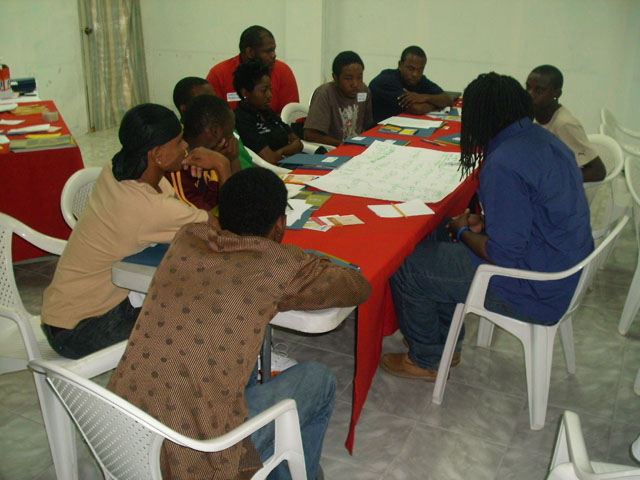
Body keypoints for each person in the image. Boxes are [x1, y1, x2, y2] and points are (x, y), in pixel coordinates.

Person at [108, 167, 371, 480]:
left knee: (235, 363)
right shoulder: (279, 265)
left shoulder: (187, 239)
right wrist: (308, 263)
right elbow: (357, 287)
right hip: (198, 462)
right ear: (280, 223)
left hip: (124, 436)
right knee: (319, 378)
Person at [381, 72, 593, 380]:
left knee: (408, 263)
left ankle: (427, 358)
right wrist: (481, 223)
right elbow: (536, 211)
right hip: (561, 269)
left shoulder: (503, 162)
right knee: (439, 233)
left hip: (534, 289)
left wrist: (464, 232)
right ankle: (444, 344)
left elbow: (504, 254)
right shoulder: (543, 139)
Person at [41, 104, 231, 359]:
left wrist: (181, 165)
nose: (186, 146)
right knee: (205, 310)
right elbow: (224, 230)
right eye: (179, 142)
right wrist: (222, 165)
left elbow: (177, 212)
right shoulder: (149, 208)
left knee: (182, 288)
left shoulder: (116, 169)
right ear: (158, 154)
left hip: (63, 314)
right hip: (81, 330)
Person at [526, 64, 606, 182]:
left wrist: (551, 180)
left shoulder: (565, 124)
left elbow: (598, 171)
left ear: (557, 94)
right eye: (528, 88)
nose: (530, 94)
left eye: (539, 90)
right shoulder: (533, 115)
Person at [167, 94, 241, 211]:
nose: (233, 139)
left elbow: (242, 198)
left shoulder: (212, 155)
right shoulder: (179, 166)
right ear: (215, 131)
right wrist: (222, 165)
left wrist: (233, 159)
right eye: (230, 133)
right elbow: (229, 214)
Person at [206, 25, 299, 115]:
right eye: (268, 51)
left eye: (274, 50)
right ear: (250, 52)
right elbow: (212, 115)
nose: (273, 55)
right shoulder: (219, 74)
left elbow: (291, 115)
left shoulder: (283, 71)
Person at [172, 76, 254, 170]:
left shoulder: (226, 128)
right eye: (204, 100)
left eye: (214, 97)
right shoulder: (179, 150)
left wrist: (231, 160)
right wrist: (222, 163)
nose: (214, 102)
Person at [234, 58, 303, 164]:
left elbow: (298, 143)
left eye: (270, 89)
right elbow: (270, 159)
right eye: (264, 90)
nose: (270, 95)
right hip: (273, 170)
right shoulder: (241, 119)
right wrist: (289, 151)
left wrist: (281, 152)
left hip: (292, 163)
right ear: (245, 93)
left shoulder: (267, 112)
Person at [304, 51, 374, 147]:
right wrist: (343, 145)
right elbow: (310, 135)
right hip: (332, 149)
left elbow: (368, 126)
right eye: (348, 78)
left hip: (358, 147)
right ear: (335, 78)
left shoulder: (364, 90)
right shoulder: (324, 94)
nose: (355, 84)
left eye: (359, 77)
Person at [369, 45, 453, 123]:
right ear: (400, 65)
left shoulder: (419, 79)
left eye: (420, 69)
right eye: (410, 68)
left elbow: (448, 99)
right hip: (377, 129)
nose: (415, 74)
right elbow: (417, 109)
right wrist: (436, 104)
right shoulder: (386, 80)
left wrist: (425, 97)